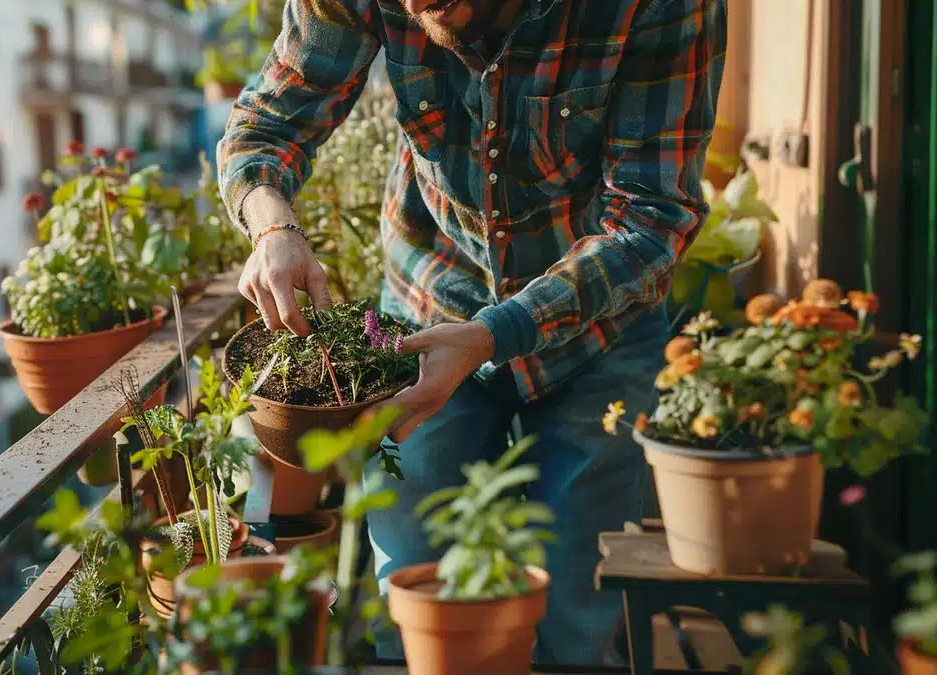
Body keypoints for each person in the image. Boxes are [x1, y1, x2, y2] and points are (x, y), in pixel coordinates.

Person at [217, 0, 726, 664]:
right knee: (416, 607)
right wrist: (272, 225)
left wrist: (493, 333)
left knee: (573, 612)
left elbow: (654, 215)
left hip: (597, 335)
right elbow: (266, 123)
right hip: (427, 313)